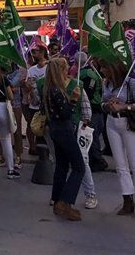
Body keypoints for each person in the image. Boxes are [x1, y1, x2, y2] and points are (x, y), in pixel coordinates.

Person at [43, 57, 85, 221]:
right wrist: (74, 99)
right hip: (64, 129)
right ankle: (65, 201)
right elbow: (66, 113)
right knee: (78, 167)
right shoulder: (56, 90)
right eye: (65, 69)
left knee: (61, 165)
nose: (67, 72)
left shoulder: (48, 89)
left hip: (55, 128)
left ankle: (57, 199)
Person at [101, 61, 135, 215]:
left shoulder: (130, 83)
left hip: (128, 122)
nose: (102, 70)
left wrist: (123, 106)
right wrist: (107, 105)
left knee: (134, 162)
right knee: (120, 163)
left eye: (104, 67)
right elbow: (101, 103)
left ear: (113, 68)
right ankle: (127, 199)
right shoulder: (106, 83)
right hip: (111, 121)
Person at [23, 44, 48, 155]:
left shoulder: (49, 67)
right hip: (34, 104)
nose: (33, 54)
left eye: (36, 51)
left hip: (47, 104)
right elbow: (27, 88)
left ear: (43, 52)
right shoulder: (31, 70)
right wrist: (27, 85)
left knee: (45, 127)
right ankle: (33, 147)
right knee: (32, 125)